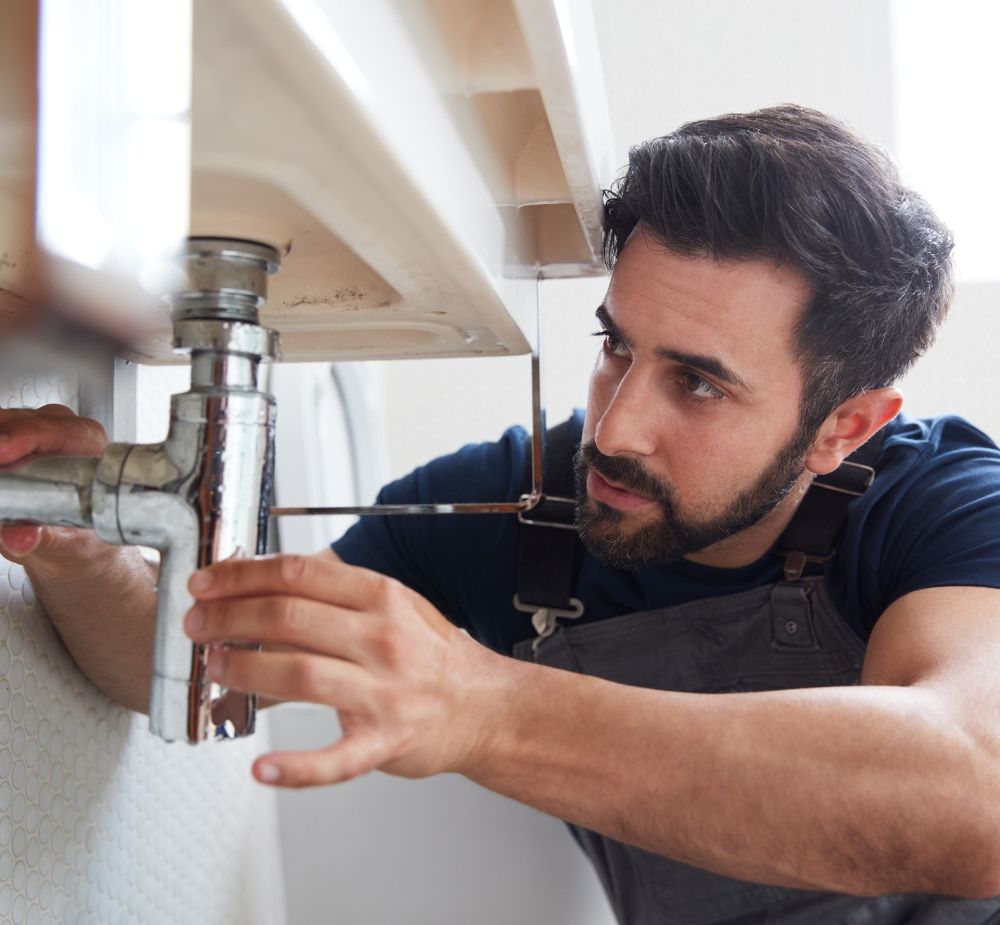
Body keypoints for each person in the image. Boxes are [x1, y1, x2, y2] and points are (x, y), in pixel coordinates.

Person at [3, 104, 1000, 923]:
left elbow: (977, 791)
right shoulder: (524, 502)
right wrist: (76, 541)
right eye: (617, 346)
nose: (613, 428)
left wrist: (481, 703)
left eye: (697, 385)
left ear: (845, 426)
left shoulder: (944, 503)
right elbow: (204, 659)